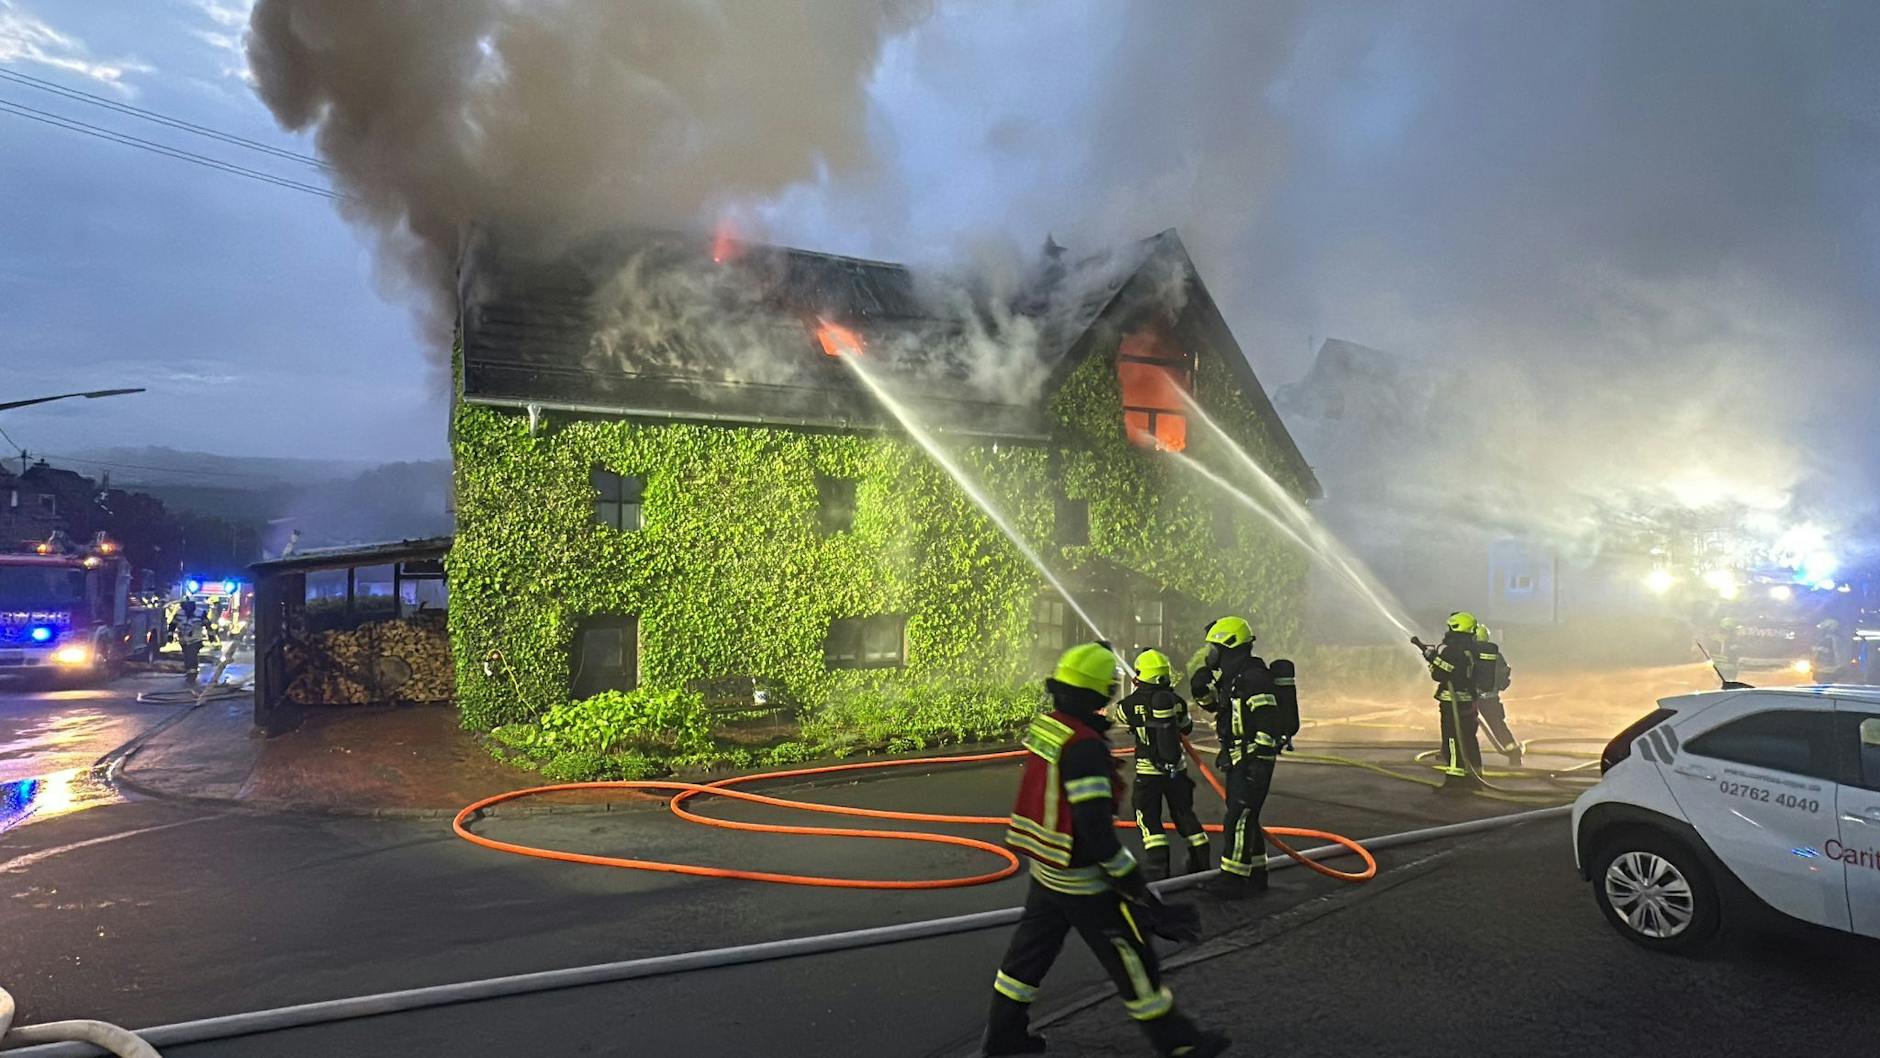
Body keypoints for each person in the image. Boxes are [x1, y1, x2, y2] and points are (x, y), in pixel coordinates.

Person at [983, 643, 1228, 1058]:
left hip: (1046, 869)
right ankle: (1180, 1044)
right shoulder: (1085, 749)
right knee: (1132, 958)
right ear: (1101, 694)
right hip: (1081, 879)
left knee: (1026, 958)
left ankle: (1004, 1038)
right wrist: (1138, 890)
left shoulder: (1050, 727)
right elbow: (1095, 833)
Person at [1193, 616, 1281, 899]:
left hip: (1252, 760)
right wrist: (1200, 692)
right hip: (1238, 758)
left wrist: (1258, 762)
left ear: (1227, 646)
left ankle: (1232, 879)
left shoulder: (1254, 678)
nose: (1210, 654)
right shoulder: (1235, 678)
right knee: (1247, 818)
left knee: (1238, 817)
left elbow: (1267, 723)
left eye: (1213, 647)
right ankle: (1256, 874)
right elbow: (1221, 711)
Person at [1116, 649, 1210, 881]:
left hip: (1148, 773)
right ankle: (1201, 860)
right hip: (1177, 771)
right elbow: (1186, 727)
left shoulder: (1129, 705)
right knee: (1184, 813)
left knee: (1148, 817)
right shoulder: (1176, 703)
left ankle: (1158, 868)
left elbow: (1120, 716)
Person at [1423, 612, 1481, 790]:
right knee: (1469, 739)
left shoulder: (1451, 650)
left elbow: (1441, 674)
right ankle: (1475, 778)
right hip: (1469, 700)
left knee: (1452, 740)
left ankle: (1455, 782)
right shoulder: (1475, 649)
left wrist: (1432, 660)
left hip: (1452, 702)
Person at [1472, 624, 1520, 767]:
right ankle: (1514, 753)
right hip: (1491, 698)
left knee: (1460, 726)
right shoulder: (1496, 655)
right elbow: (1504, 676)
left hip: (1471, 698)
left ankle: (1456, 754)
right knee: (1498, 726)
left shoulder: (1470, 654)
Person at [169, 598, 218, 684]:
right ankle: (189, 672)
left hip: (195, 640)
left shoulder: (200, 613)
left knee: (191, 656)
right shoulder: (179, 613)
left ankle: (192, 675)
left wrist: (211, 636)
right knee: (187, 657)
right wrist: (170, 635)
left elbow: (208, 625)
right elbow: (172, 625)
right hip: (183, 640)